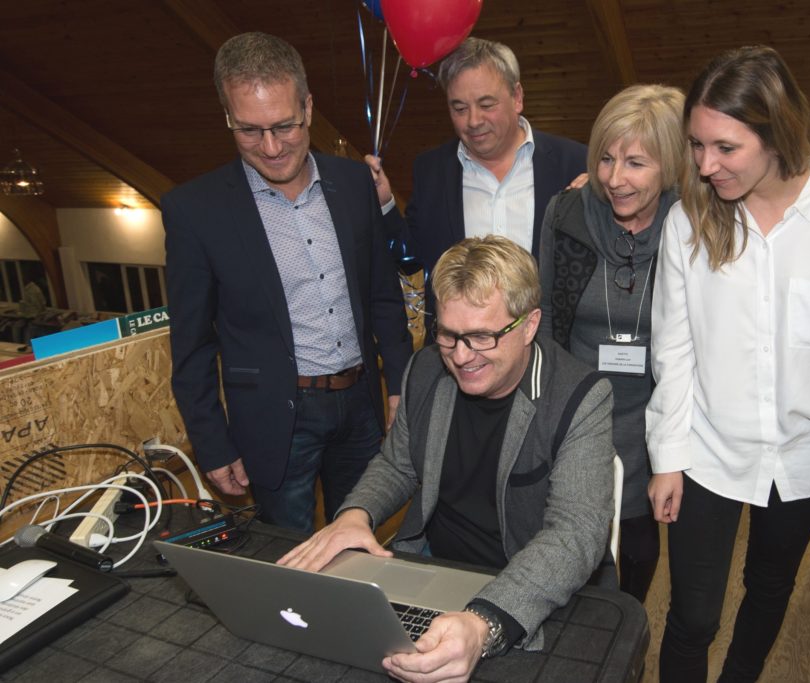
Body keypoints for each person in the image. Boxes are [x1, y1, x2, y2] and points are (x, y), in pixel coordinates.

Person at [645, 46, 810, 681]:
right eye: (697, 145)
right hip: (707, 453)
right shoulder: (688, 219)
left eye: (725, 148)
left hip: (806, 458)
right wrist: (667, 455)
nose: (705, 164)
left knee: (769, 592)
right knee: (693, 616)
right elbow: (673, 349)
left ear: (776, 131)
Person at [280, 235, 615, 682]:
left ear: (529, 325)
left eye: (480, 337)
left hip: (530, 587)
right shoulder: (424, 370)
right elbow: (397, 464)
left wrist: (484, 622)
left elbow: (576, 534)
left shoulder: (581, 397)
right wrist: (355, 516)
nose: (460, 356)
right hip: (434, 571)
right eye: (448, 335)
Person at [163, 32, 412, 533]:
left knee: (360, 541)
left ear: (309, 107)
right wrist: (213, 443)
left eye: (284, 126)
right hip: (275, 421)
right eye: (250, 131)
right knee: (286, 560)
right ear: (228, 119)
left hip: (361, 405)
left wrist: (400, 386)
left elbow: (382, 294)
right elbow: (191, 345)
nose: (272, 147)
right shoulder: (195, 211)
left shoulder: (355, 183)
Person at [538, 84, 685, 604]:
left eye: (635, 163)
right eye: (605, 158)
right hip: (579, 418)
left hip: (653, 425)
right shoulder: (566, 214)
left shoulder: (692, 226)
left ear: (669, 164)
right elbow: (548, 323)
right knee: (572, 555)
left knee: (639, 559)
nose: (614, 178)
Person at [366, 37, 586, 311]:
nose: (473, 121)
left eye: (486, 105)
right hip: (460, 349)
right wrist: (385, 204)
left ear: (517, 97)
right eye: (459, 108)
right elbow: (410, 258)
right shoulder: (431, 171)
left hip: (548, 347)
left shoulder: (575, 164)